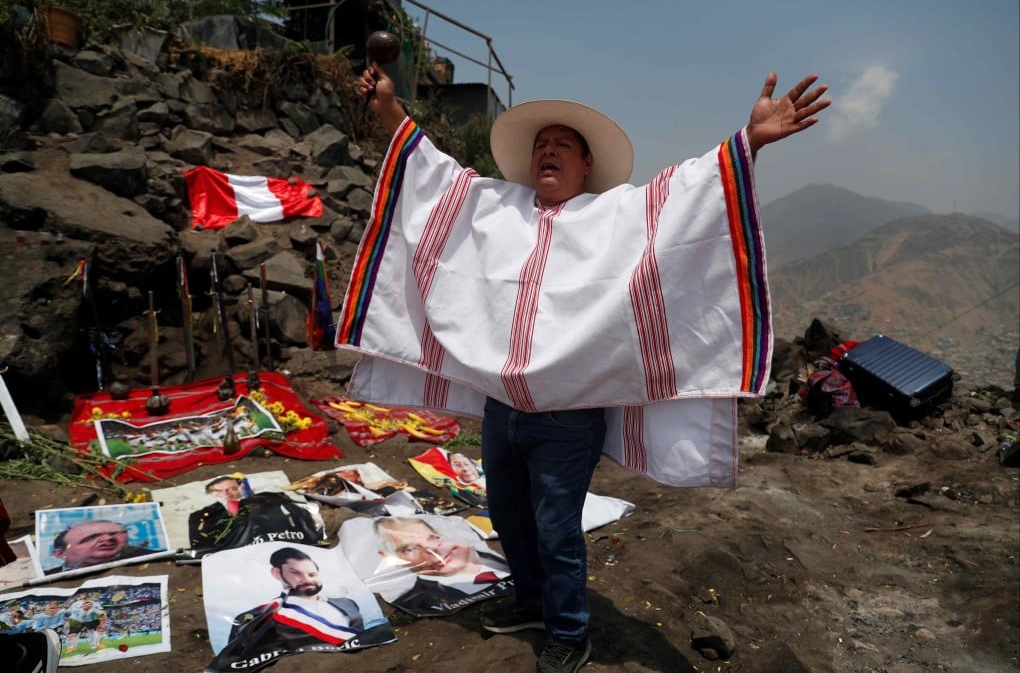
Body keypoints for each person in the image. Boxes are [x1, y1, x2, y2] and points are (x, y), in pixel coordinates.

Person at [353, 60, 829, 672]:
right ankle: (532, 603)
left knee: (556, 529)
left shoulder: (615, 217)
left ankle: (570, 631)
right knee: (508, 516)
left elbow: (686, 196)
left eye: (563, 147)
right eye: (540, 146)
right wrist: (391, 109)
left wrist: (749, 141)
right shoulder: (496, 207)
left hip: (567, 417)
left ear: (586, 167)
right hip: (504, 409)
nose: (548, 153)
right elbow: (436, 177)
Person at [212, 547, 369, 668]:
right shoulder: (254, 618)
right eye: (296, 573)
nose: (306, 579)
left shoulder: (347, 604)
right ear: (277, 573)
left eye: (312, 574)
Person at [373, 517, 510, 615]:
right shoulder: (419, 602)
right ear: (391, 558)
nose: (433, 550)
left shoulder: (499, 559)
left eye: (433, 538)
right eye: (410, 549)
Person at [188, 475, 321, 551]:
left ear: (240, 488)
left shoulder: (267, 498)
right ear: (211, 494)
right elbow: (200, 542)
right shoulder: (202, 515)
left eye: (232, 488)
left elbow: (299, 514)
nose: (227, 493)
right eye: (219, 491)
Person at [46, 520, 154, 575]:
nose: (107, 538)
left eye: (113, 533)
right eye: (91, 537)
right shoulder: (47, 576)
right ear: (60, 554)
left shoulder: (152, 558)